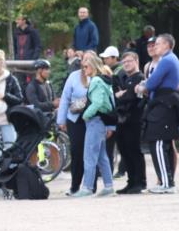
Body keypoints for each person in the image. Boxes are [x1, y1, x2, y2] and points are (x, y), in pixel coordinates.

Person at [136, 34, 179, 194]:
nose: (155, 46)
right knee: (163, 144)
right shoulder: (171, 59)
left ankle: (166, 183)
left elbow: (152, 82)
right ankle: (166, 181)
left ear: (167, 45)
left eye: (158, 44)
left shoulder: (167, 60)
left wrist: (142, 87)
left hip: (163, 103)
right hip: (165, 102)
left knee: (157, 143)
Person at [72, 54, 117, 197]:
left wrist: (86, 115)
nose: (84, 69)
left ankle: (87, 187)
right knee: (101, 156)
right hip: (101, 121)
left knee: (90, 155)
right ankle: (109, 186)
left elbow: (97, 102)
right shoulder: (102, 80)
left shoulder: (96, 80)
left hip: (95, 121)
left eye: (86, 66)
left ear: (93, 66)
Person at [57, 52, 91, 196]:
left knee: (92, 152)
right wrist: (61, 120)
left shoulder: (100, 75)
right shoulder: (74, 76)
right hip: (75, 118)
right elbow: (65, 98)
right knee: (76, 152)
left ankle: (90, 185)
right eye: (85, 59)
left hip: (93, 119)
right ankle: (75, 186)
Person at [113, 51, 147, 194]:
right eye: (124, 62)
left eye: (129, 61)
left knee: (134, 151)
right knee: (125, 152)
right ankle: (131, 181)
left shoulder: (140, 78)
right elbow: (117, 98)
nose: (126, 64)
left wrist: (122, 95)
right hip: (122, 121)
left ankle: (140, 182)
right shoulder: (125, 79)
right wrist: (122, 95)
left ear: (136, 61)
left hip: (134, 120)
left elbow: (133, 97)